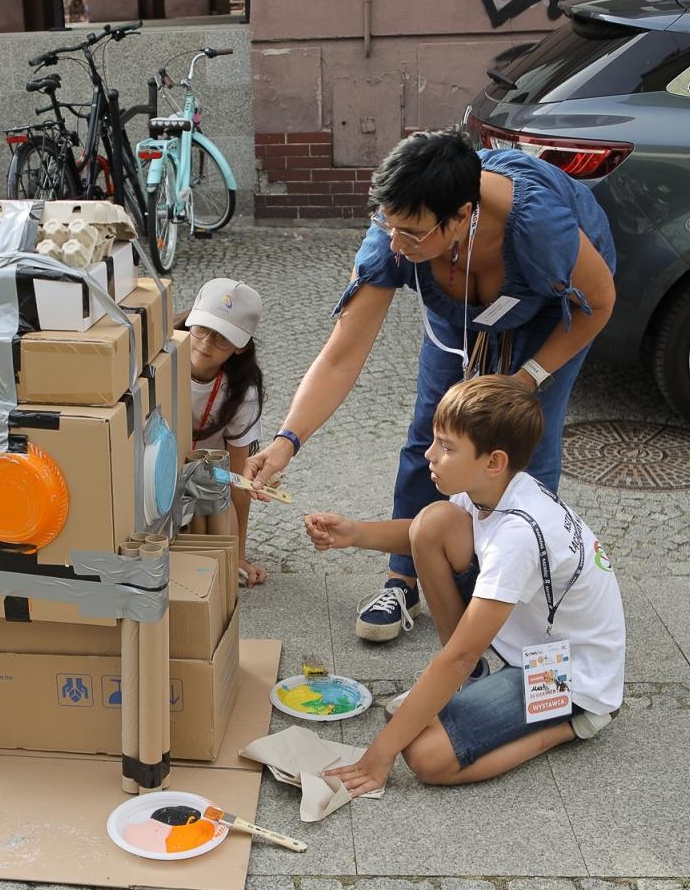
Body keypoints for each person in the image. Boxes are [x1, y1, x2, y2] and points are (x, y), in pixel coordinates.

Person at [247, 130, 617, 647]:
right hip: (458, 311)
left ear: (464, 214)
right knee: (434, 432)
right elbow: (342, 352)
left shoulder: (536, 225)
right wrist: (286, 442)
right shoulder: (397, 235)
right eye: (388, 225)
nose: (397, 244)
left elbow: (598, 303)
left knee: (525, 444)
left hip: (549, 311)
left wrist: (525, 378)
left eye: (413, 233)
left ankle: (514, 584)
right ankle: (405, 578)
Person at [303, 376, 624, 794]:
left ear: (494, 461)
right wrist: (355, 534)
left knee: (425, 757)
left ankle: (572, 724)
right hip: (537, 646)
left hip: (570, 673)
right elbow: (424, 533)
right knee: (434, 523)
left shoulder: (518, 537)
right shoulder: (493, 487)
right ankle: (474, 682)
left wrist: (377, 757)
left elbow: (458, 654)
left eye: (447, 447)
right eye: (436, 440)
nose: (430, 454)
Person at [182, 278, 268, 586]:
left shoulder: (242, 392)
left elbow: (236, 477)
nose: (205, 344)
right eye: (202, 329)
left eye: (222, 339)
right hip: (151, 466)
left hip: (204, 475)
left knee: (223, 520)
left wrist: (240, 552)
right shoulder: (158, 355)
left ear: (240, 346)